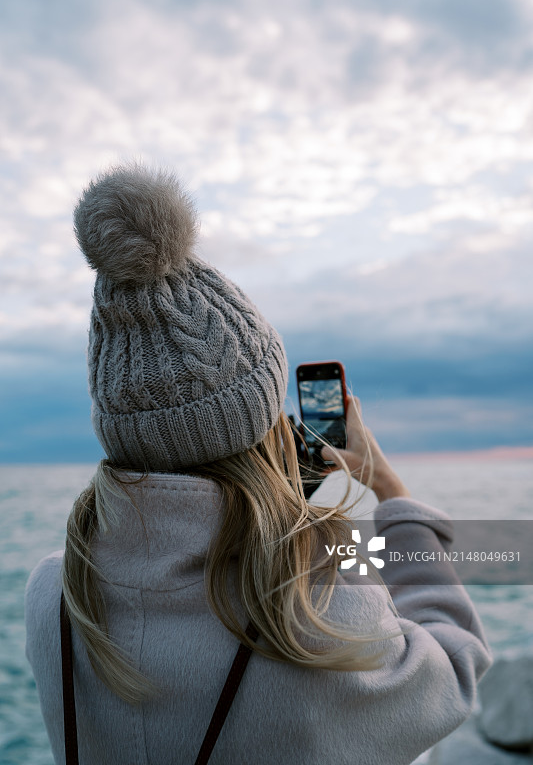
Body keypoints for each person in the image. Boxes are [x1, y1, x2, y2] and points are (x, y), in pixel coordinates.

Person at [25, 163, 492, 765]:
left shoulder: (57, 597)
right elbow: (455, 668)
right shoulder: (317, 614)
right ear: (267, 430)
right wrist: (388, 489)